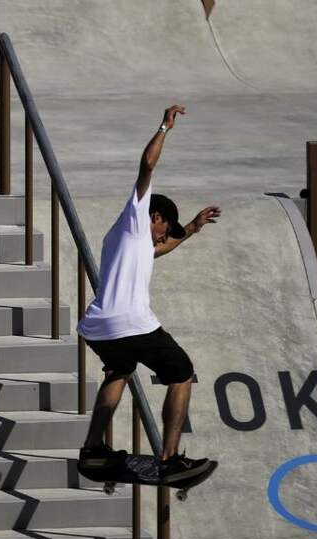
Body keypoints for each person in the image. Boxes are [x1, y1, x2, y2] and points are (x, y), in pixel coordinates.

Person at [77, 104, 221, 483]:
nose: (163, 234)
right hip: (132, 323)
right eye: (166, 226)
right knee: (182, 373)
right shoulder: (137, 216)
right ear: (155, 217)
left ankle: (93, 451)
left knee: (119, 371)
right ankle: (171, 459)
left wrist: (190, 228)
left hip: (98, 326)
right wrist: (164, 127)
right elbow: (147, 166)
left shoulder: (128, 241)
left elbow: (162, 248)